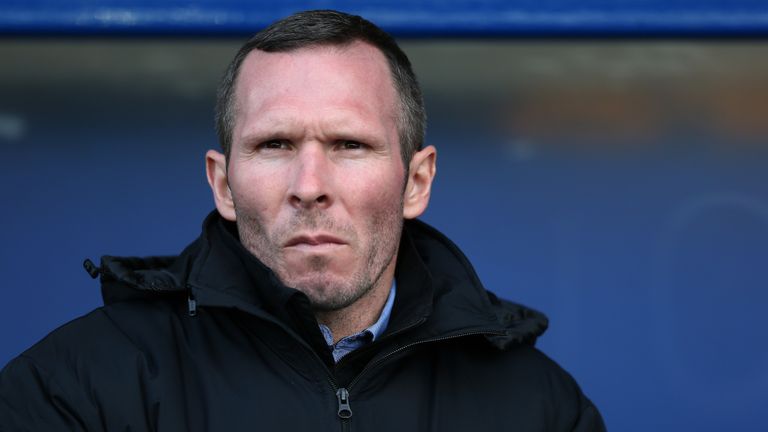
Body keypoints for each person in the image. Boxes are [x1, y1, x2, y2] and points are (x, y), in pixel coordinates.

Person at [0, 10, 605, 431]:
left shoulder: (538, 408)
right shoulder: (76, 389)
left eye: (348, 144)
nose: (310, 187)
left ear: (415, 182)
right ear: (223, 184)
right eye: (275, 145)